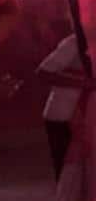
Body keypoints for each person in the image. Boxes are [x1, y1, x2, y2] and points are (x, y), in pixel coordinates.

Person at [37, 33, 90, 179]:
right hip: (63, 118)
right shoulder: (75, 42)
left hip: (88, 120)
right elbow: (43, 73)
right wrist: (85, 83)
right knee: (69, 177)